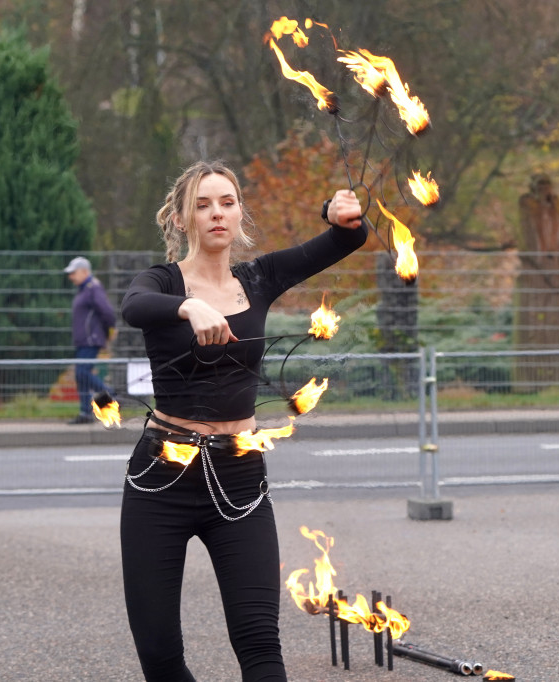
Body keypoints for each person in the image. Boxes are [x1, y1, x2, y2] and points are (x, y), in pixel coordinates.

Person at [119, 160, 366, 681]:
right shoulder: (161, 281)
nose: (216, 213)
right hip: (161, 477)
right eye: (202, 205)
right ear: (182, 219)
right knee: (160, 655)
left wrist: (337, 214)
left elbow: (347, 239)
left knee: (259, 644)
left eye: (226, 202)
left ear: (238, 214)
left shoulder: (258, 278)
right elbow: (134, 306)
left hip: (239, 479)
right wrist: (188, 307)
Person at [64, 255, 116, 425]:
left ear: (85, 271)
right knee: (81, 376)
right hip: (83, 341)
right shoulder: (84, 289)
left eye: (73, 272)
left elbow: (106, 311)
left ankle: (110, 394)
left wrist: (111, 329)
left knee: (82, 372)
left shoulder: (93, 288)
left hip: (90, 340)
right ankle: (85, 413)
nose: (71, 276)